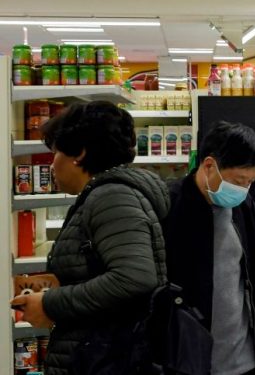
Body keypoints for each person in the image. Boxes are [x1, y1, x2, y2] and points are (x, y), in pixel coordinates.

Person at [10, 101, 169, 374]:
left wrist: (50, 304)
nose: (52, 163)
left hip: (106, 359)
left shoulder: (112, 197)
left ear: (80, 154)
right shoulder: (106, 196)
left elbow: (134, 277)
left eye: (56, 151)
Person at [161, 121, 255, 375]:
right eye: (238, 180)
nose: (243, 189)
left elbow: (251, 278)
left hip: (243, 359)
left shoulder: (245, 208)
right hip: (187, 359)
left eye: (250, 182)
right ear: (209, 165)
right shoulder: (169, 206)